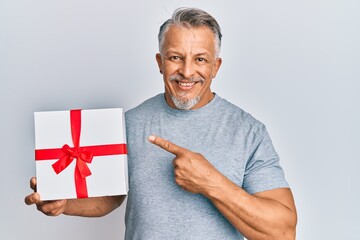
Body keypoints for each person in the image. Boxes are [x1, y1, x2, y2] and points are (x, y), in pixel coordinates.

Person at [25, 7, 297, 240]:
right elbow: (110, 197)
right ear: (160, 62)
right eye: (175, 57)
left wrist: (211, 182)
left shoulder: (249, 132)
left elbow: (282, 232)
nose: (187, 72)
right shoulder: (129, 123)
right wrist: (64, 204)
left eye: (200, 59)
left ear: (216, 66)